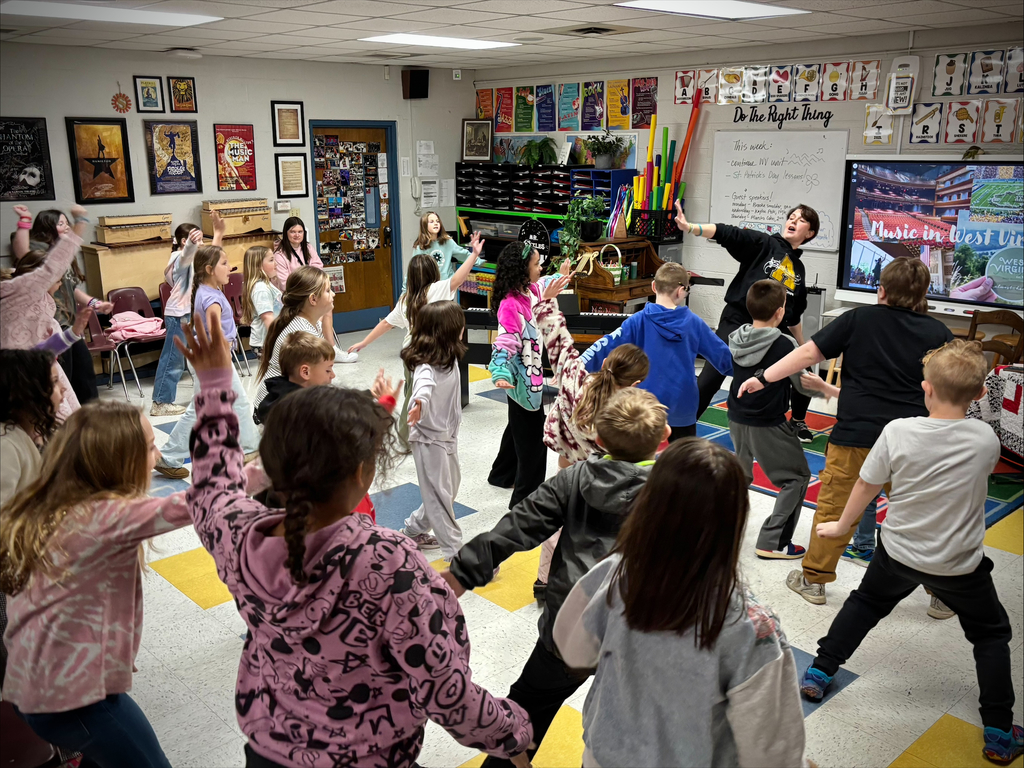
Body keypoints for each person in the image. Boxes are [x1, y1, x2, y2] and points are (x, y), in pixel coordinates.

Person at [177, 315, 533, 768]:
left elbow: (212, 485)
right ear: (363, 475)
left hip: (269, 751)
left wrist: (212, 384)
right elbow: (449, 694)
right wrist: (514, 730)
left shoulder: (239, 533)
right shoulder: (387, 563)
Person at [799, 340, 1021, 766]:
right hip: (958, 564)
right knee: (991, 635)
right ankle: (998, 730)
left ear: (926, 388)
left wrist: (842, 526)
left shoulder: (898, 431)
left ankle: (820, 671)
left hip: (897, 551)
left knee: (865, 603)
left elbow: (865, 484)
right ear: (978, 395)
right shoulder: (985, 439)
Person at [1, 400, 236, 768]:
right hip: (69, 698)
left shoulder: (60, 507)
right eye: (150, 446)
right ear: (118, 461)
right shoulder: (101, 518)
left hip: (40, 686)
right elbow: (204, 501)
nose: (158, 456)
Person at [443, 387, 670, 767]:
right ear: (664, 440)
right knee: (630, 725)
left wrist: (462, 573)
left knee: (527, 707)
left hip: (570, 628)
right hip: (640, 635)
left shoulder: (575, 478)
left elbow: (516, 527)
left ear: (597, 439)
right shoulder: (673, 492)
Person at [553, 438, 806, 768]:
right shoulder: (751, 626)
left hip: (605, 755)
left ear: (650, 504)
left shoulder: (614, 574)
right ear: (734, 521)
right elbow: (772, 752)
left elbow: (573, 650)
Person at [737, 257, 954, 605]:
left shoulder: (857, 318)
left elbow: (806, 354)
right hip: (913, 441)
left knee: (834, 510)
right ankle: (942, 594)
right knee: (920, 517)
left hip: (856, 435)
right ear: (925, 293)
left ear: (880, 290)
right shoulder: (939, 333)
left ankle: (814, 581)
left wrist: (763, 378)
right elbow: (951, 387)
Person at [532, 296, 649, 601]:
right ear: (635, 382)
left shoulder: (575, 378)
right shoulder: (620, 412)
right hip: (597, 475)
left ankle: (543, 580)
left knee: (557, 519)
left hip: (567, 459)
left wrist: (547, 301)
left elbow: (558, 339)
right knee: (591, 529)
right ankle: (586, 585)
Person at [676, 201, 819, 442]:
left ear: (810, 233)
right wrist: (690, 227)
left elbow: (793, 315)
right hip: (737, 322)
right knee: (709, 379)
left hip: (772, 334)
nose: (793, 221)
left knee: (804, 369)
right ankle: (683, 429)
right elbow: (729, 234)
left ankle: (798, 421)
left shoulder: (798, 270)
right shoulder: (766, 244)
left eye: (801, 219)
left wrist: (803, 346)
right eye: (791, 216)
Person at [348, 232, 484, 449]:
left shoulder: (406, 298)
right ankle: (407, 438)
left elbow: (386, 324)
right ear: (433, 272)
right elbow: (459, 277)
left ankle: (413, 434)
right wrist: (474, 255)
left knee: (414, 392)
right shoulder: (437, 289)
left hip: (411, 355)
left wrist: (364, 342)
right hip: (433, 354)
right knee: (424, 396)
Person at [581, 262, 732, 441]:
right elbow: (723, 356)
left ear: (653, 286)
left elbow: (604, 345)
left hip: (645, 403)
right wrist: (756, 375)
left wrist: (575, 366)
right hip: (682, 404)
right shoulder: (695, 323)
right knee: (684, 459)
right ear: (681, 291)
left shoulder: (637, 321)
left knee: (637, 457)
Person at [727, 280, 821, 560]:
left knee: (740, 477)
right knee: (796, 476)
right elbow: (804, 387)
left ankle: (720, 531)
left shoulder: (736, 336)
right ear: (780, 313)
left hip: (735, 415)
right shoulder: (784, 343)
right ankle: (773, 541)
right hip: (767, 421)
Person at [155, 244, 260, 479]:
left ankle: (250, 446)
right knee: (206, 408)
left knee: (234, 402)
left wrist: (217, 233)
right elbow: (214, 330)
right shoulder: (211, 298)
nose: (230, 267)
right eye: (224, 264)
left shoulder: (205, 289)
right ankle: (169, 456)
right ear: (210, 269)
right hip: (214, 359)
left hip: (211, 357)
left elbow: (208, 258)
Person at [487, 241, 572, 509]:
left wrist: (561, 274)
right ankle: (524, 506)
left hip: (528, 378)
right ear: (522, 269)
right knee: (533, 446)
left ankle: (501, 474)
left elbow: (545, 281)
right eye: (536, 264)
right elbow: (505, 341)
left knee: (517, 428)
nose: (541, 267)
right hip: (521, 382)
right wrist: (499, 371)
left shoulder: (530, 289)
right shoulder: (511, 305)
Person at [11, 205, 112, 406]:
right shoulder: (40, 253)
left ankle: (92, 421)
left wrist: (95, 303)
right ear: (47, 227)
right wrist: (24, 220)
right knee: (64, 379)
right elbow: (22, 249)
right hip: (53, 328)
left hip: (70, 326)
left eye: (67, 222)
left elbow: (70, 287)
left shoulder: (64, 257)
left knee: (85, 377)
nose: (66, 227)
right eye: (61, 223)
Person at [2, 205, 89, 420]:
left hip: (38, 368)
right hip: (20, 376)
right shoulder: (20, 292)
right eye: (58, 280)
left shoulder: (45, 303)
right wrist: (80, 223)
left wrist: (74, 332)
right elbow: (52, 263)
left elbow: (42, 350)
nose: (59, 283)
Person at [399, 301, 468, 561]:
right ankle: (457, 556)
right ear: (448, 331)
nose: (463, 328)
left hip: (447, 436)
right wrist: (419, 403)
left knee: (448, 488)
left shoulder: (447, 358)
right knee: (440, 496)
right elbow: (423, 387)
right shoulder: (425, 365)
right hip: (428, 439)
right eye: (459, 324)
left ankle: (413, 530)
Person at [150, 214, 224, 416]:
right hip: (179, 314)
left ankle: (205, 394)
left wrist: (218, 232)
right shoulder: (177, 258)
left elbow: (212, 254)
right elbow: (184, 259)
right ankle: (161, 402)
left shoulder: (196, 259)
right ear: (185, 241)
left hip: (191, 314)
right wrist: (192, 244)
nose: (201, 244)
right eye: (198, 240)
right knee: (173, 358)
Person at [272, 216, 356, 363]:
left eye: (300, 231)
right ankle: (319, 350)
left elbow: (318, 269)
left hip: (312, 292)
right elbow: (285, 283)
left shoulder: (308, 248)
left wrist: (312, 284)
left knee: (327, 307)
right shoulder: (279, 255)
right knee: (319, 308)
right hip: (294, 296)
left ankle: (331, 348)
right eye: (293, 232)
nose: (297, 235)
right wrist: (308, 284)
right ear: (286, 233)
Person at [253, 266, 336, 411]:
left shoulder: (309, 322)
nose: (333, 294)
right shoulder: (302, 332)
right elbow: (316, 382)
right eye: (328, 291)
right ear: (313, 299)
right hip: (276, 410)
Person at [241, 244, 282, 360]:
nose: (276, 264)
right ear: (259, 265)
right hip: (266, 343)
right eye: (271, 260)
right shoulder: (261, 288)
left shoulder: (266, 285)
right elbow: (268, 318)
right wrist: (281, 340)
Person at [410, 211, 471, 282]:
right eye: (431, 222)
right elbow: (413, 271)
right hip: (430, 286)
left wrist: (479, 260)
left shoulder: (447, 241)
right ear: (424, 225)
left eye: (437, 221)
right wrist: (405, 291)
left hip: (447, 284)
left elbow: (464, 255)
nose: (435, 223)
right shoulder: (420, 246)